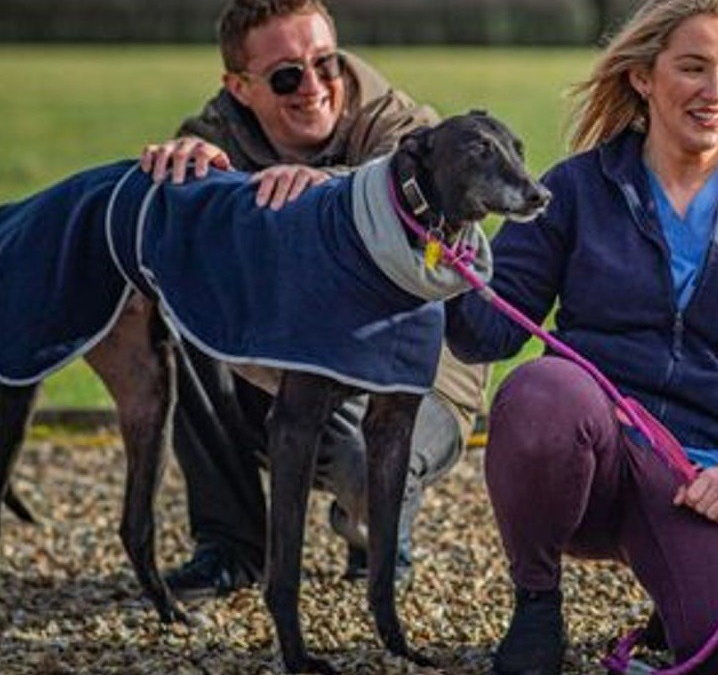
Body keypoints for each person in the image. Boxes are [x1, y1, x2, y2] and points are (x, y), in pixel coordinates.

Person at [443, 1, 718, 674]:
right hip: (592, 458)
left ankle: (681, 588)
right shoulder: (574, 188)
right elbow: (489, 328)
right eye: (692, 67)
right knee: (543, 391)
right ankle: (537, 604)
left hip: (703, 476)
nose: (715, 92)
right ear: (644, 78)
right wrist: (448, 234)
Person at [138, 0, 488, 599]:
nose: (314, 86)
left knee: (374, 466)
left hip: (422, 367)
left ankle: (375, 527)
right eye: (285, 76)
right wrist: (176, 177)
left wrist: (327, 191)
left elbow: (425, 201)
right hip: (290, 366)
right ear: (239, 88)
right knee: (181, 297)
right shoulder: (212, 142)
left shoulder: (405, 126)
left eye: (326, 62)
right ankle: (230, 544)